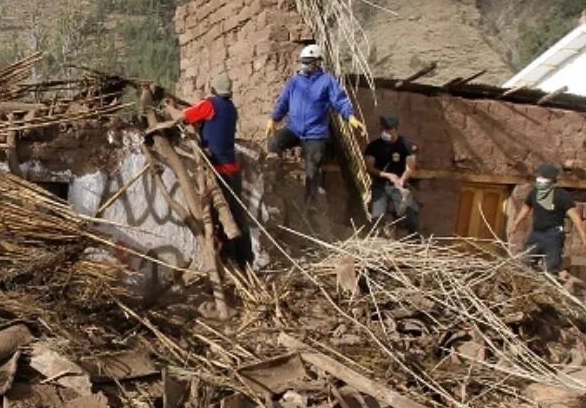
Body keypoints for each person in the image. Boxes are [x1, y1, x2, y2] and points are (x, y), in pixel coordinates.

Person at [168, 72, 251, 267]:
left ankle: (228, 262)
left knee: (221, 217)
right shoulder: (231, 108)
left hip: (219, 169)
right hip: (233, 169)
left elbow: (181, 118)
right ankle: (245, 261)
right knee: (236, 215)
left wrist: (170, 107)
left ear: (213, 90)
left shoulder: (210, 105)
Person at [268, 44, 362, 204]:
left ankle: (310, 204)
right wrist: (274, 119)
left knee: (313, 167)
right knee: (274, 142)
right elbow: (283, 102)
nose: (304, 65)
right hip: (294, 129)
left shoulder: (327, 81)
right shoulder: (294, 82)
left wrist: (350, 117)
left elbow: (339, 100)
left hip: (315, 133)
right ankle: (276, 182)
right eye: (303, 61)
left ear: (317, 62)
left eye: (308, 62)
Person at [508, 162, 586, 276]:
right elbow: (526, 208)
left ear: (550, 179)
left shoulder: (562, 195)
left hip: (553, 235)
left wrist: (584, 237)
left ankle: (553, 287)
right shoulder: (535, 193)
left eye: (541, 177)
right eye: (538, 176)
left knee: (552, 267)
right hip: (536, 234)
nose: (538, 179)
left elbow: (575, 217)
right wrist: (515, 224)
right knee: (526, 263)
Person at [363, 115, 420, 234]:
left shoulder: (406, 145)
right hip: (380, 184)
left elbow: (410, 167)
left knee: (411, 214)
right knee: (377, 219)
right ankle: (378, 239)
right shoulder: (374, 146)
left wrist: (402, 180)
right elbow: (369, 168)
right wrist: (387, 175)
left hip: (399, 185)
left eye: (388, 130)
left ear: (395, 129)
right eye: (384, 130)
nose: (386, 132)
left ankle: (413, 241)